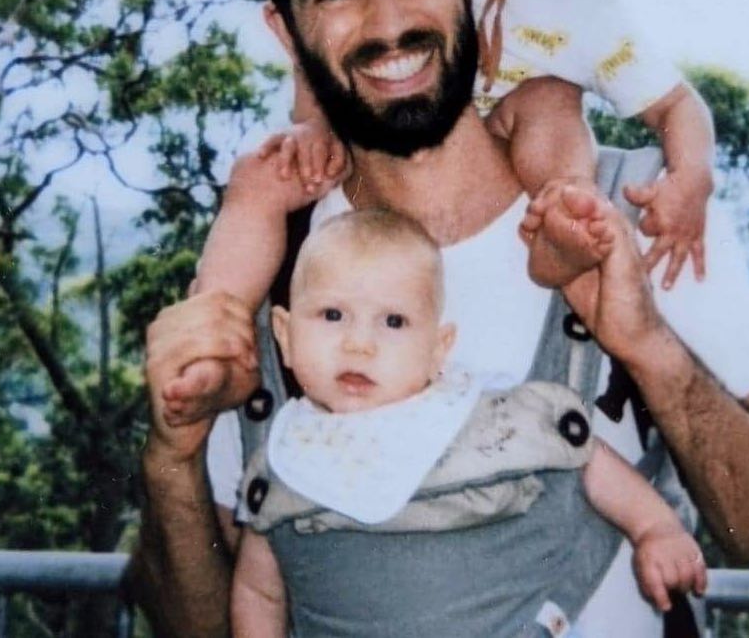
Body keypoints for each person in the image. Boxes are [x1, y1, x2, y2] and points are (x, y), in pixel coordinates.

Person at [130, 0, 749, 638]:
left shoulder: (638, 212)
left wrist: (645, 342)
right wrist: (173, 455)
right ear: (285, 27)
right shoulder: (270, 262)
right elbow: (192, 621)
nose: (391, 21)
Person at [174, 0, 713, 423]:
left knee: (551, 97)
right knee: (259, 175)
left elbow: (674, 103)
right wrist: (313, 123)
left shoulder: (588, 14)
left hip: (517, 147)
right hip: (387, 136)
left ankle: (561, 222)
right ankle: (213, 334)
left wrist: (691, 177)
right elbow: (323, 42)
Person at [231, 208, 706, 638]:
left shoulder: (478, 416)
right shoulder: (286, 458)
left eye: (393, 322)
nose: (360, 343)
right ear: (286, 337)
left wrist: (654, 528)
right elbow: (259, 590)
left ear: (438, 349)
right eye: (333, 315)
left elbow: (584, 458)